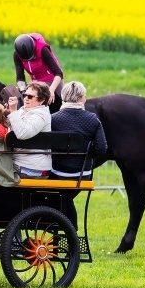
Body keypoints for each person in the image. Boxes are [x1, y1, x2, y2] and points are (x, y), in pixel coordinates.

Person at [50, 81, 108, 227]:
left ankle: (66, 229)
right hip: (82, 173)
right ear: (81, 98)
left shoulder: (53, 119)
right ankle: (71, 231)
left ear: (63, 96)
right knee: (66, 198)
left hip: (57, 173)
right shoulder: (93, 119)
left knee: (63, 197)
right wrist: (87, 156)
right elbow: (101, 148)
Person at [6, 81, 52, 178]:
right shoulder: (26, 110)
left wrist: (13, 111)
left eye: (30, 97)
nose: (26, 98)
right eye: (25, 95)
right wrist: (8, 112)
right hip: (25, 163)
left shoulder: (40, 115)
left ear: (42, 100)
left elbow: (22, 133)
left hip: (31, 168)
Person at [13, 33, 64, 113]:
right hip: (36, 84)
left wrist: (52, 89)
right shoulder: (17, 55)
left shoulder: (43, 50)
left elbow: (58, 73)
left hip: (52, 81)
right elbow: (20, 77)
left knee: (61, 104)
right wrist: (23, 91)